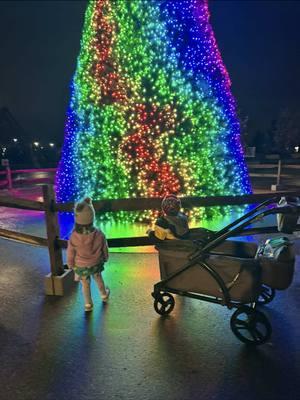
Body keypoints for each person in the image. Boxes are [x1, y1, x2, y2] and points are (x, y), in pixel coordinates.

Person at [67, 197, 110, 312]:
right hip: (95, 263)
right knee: (98, 278)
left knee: (85, 284)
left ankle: (88, 304)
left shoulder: (74, 236)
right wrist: (105, 257)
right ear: (92, 217)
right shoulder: (99, 234)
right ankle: (104, 294)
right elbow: (104, 247)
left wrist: (70, 264)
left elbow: (70, 252)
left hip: (81, 266)